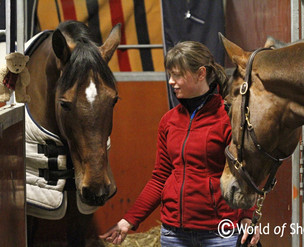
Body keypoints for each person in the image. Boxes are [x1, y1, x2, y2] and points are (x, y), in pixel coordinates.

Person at [99, 41, 260, 247]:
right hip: (174, 234)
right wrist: (129, 220)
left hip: (221, 233)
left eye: (177, 75)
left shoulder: (228, 118)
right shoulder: (169, 121)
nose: (171, 81)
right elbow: (160, 177)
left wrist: (248, 217)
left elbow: (246, 173)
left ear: (201, 73)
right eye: (170, 75)